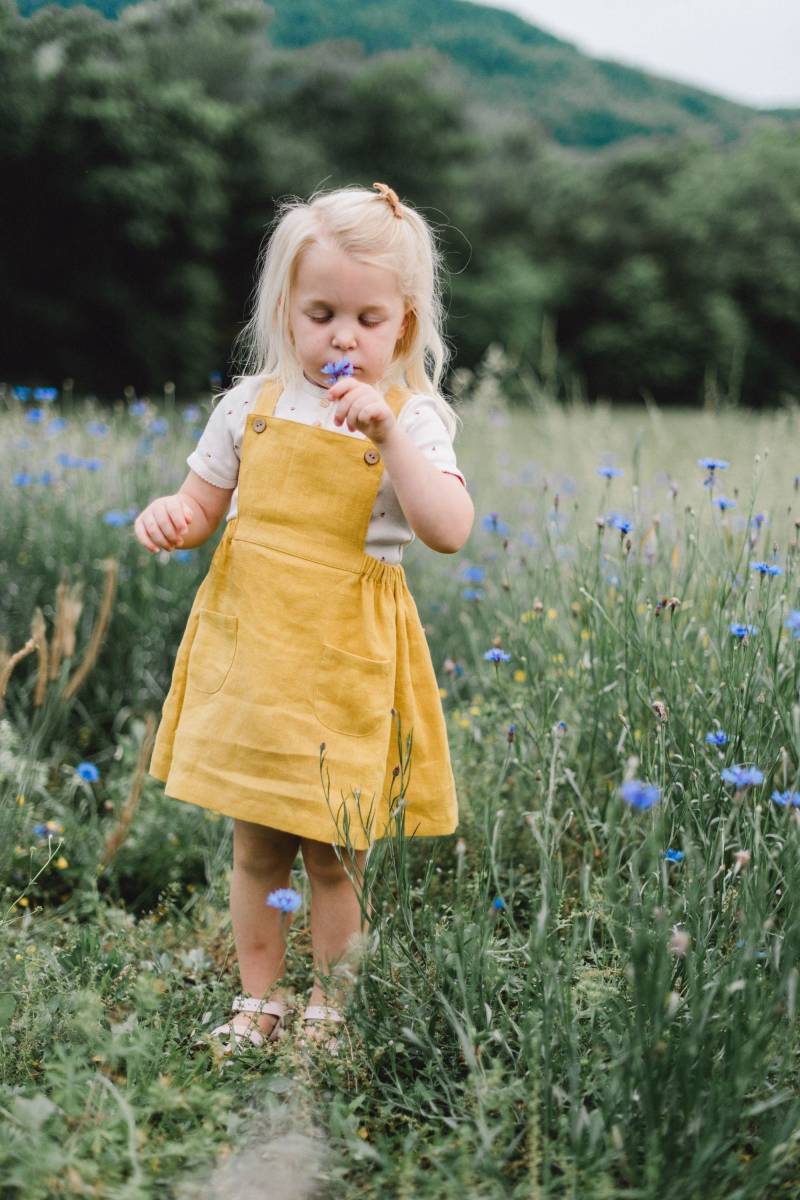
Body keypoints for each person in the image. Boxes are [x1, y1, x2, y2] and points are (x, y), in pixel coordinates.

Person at [134, 182, 474, 1056]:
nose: (342, 337)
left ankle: (331, 1003)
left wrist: (390, 437)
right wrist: (168, 518)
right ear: (286, 308)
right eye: (321, 313)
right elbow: (199, 503)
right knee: (256, 848)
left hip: (344, 663)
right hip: (257, 655)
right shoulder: (249, 405)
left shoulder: (415, 419)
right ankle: (258, 999)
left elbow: (448, 530)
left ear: (400, 326)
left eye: (367, 319)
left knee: (332, 854)